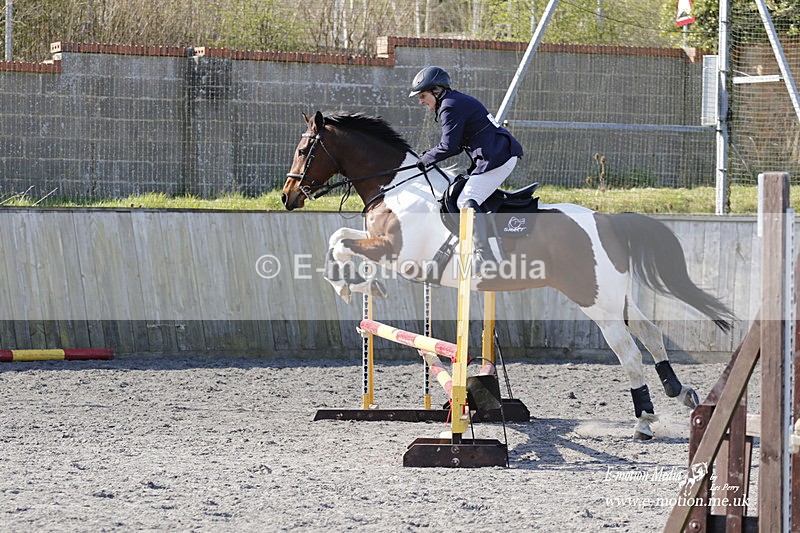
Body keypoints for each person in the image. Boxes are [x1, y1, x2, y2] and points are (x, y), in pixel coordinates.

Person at [409, 66, 523, 269]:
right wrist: (427, 156)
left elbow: (449, 146)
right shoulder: (454, 101)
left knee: (465, 201)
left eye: (423, 95)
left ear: (437, 91)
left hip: (497, 157)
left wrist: (424, 160)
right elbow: (456, 143)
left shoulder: (449, 106)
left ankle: (485, 257)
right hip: (495, 155)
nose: (421, 100)